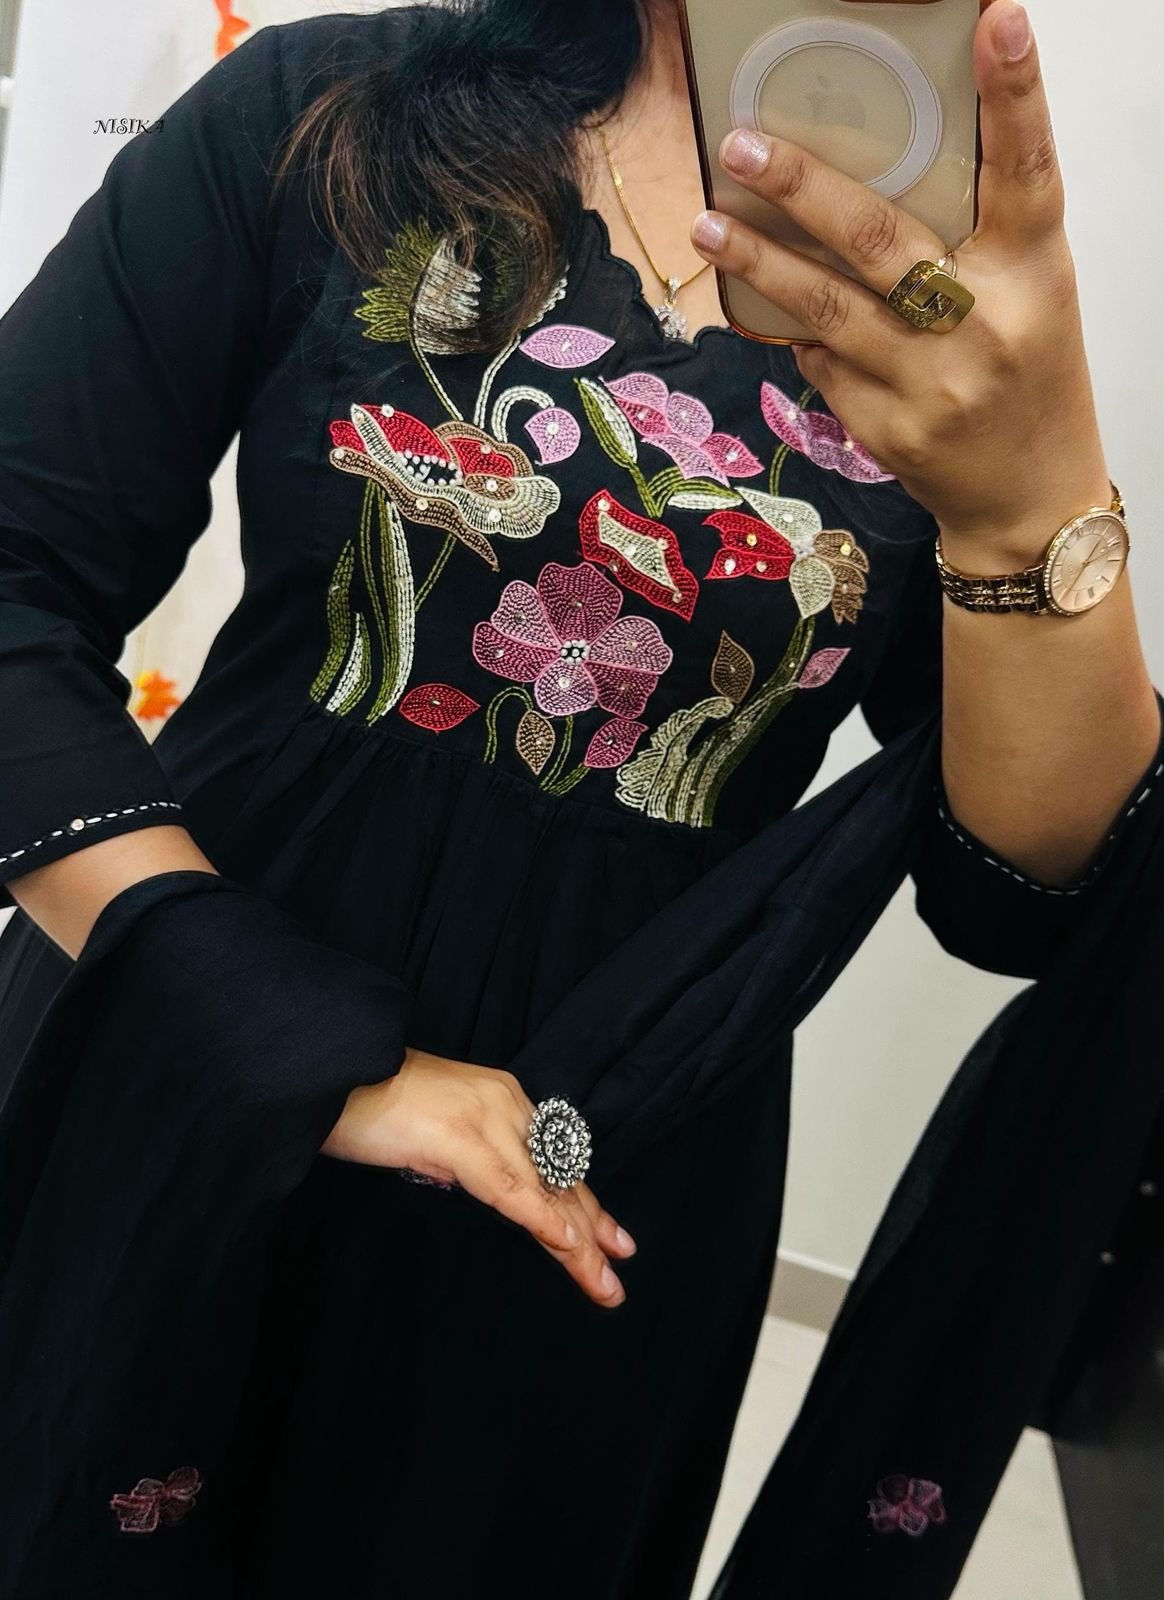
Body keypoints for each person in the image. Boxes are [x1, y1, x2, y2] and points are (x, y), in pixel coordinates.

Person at [0, 2, 1160, 1596]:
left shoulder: (955, 293)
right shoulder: (341, 114)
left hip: (604, 1180)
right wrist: (273, 1034)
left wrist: (1038, 504)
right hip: (183, 1046)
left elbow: (1021, 891)